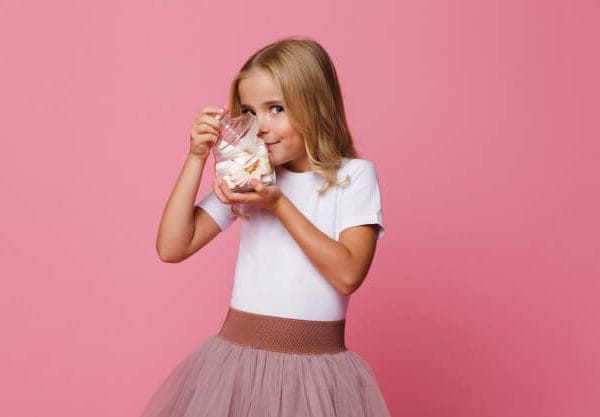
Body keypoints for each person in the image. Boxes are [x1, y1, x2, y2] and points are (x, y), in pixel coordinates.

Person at [142, 37, 391, 417]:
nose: (261, 127)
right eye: (249, 113)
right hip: (237, 366)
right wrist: (195, 157)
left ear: (317, 107)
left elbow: (347, 274)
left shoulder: (352, 177)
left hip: (317, 376)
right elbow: (172, 247)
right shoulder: (251, 178)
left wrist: (277, 203)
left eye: (276, 109)